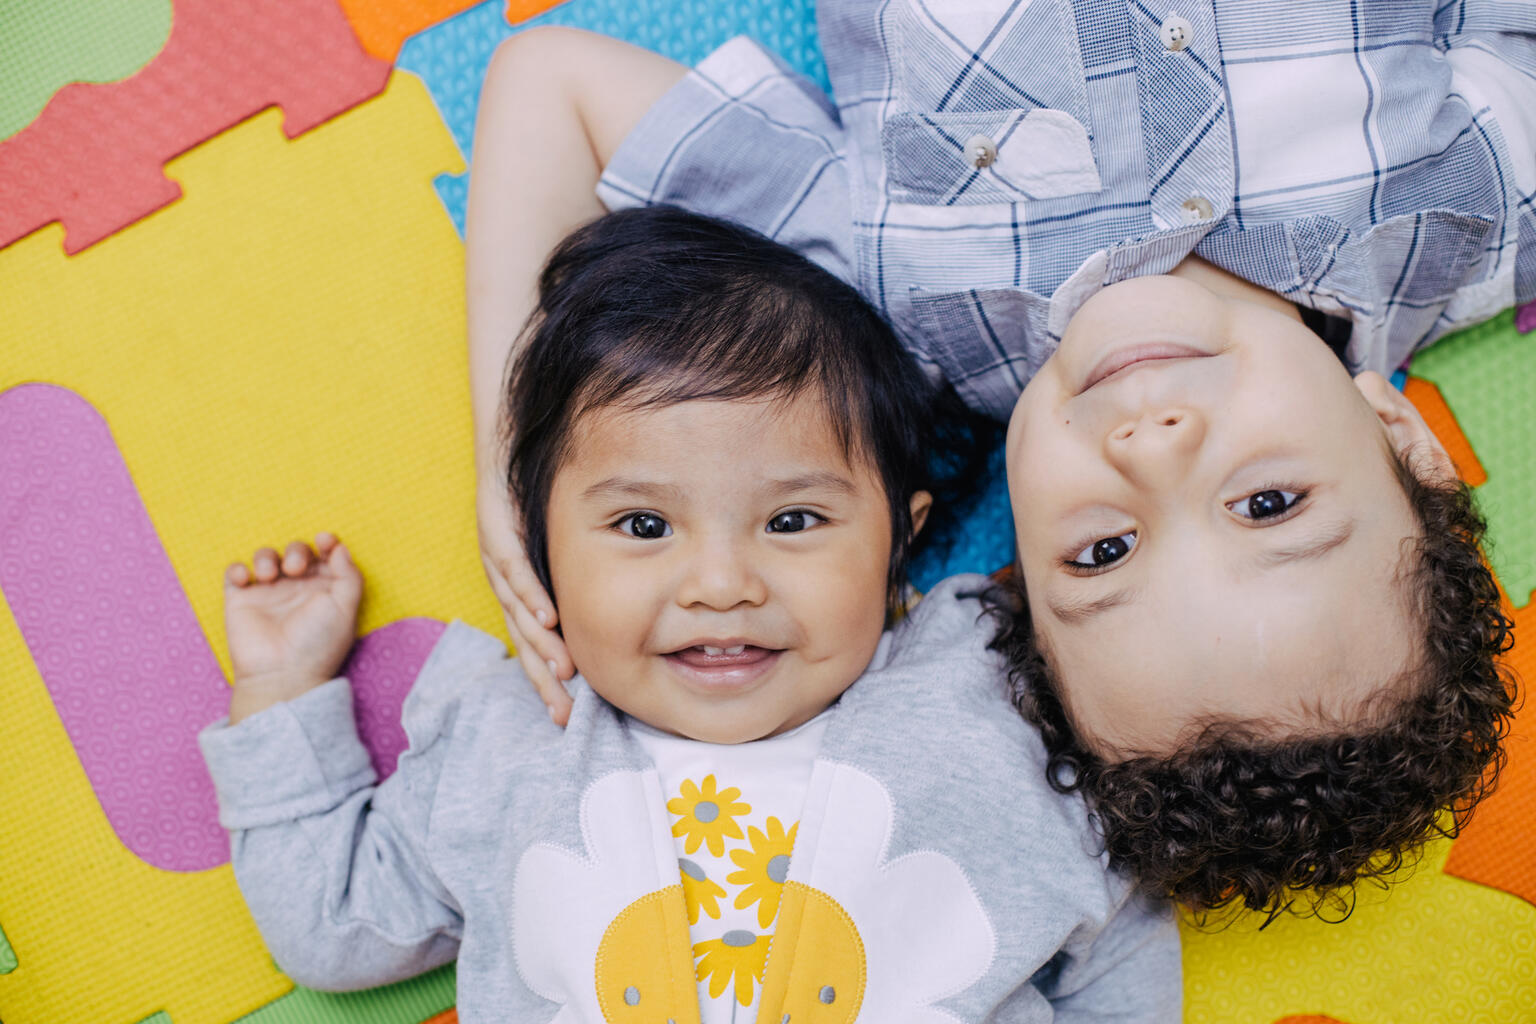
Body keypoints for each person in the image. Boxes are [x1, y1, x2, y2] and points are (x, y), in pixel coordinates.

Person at [466, 8, 1527, 916]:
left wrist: (512, 455)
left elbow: (553, 86)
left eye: (1104, 550)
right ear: (1404, 442)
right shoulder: (1472, 214)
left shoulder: (887, 329)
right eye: (1267, 502)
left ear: (1015, 562)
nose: (1152, 451)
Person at [199, 206, 1181, 1020]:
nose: (720, 583)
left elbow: (1122, 915)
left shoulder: (994, 692)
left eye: (792, 519)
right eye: (641, 524)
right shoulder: (508, 744)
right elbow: (333, 919)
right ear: (532, 547)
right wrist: (282, 689)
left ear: (902, 535)